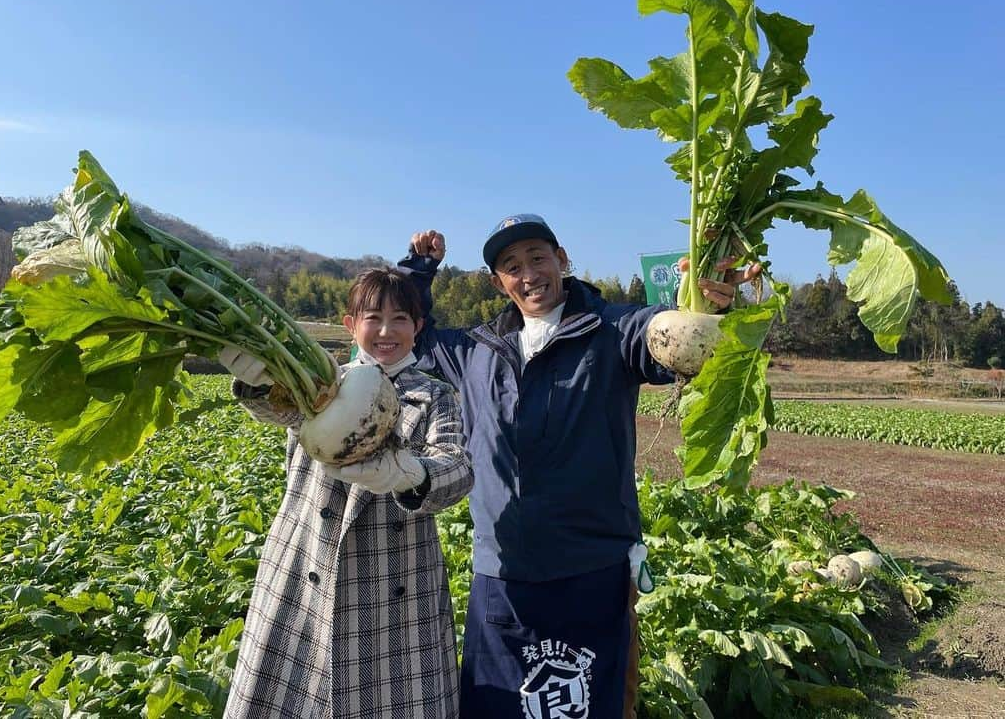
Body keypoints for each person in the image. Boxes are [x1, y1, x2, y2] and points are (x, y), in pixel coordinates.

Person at [399, 215, 757, 718]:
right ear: (498, 282)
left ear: (563, 261)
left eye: (538, 258)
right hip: (502, 575)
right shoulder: (478, 350)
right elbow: (415, 340)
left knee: (593, 706)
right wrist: (420, 270)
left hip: (591, 571)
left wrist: (703, 306)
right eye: (511, 265)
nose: (528, 274)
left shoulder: (612, 330)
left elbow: (668, 340)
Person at [219, 267, 474, 719]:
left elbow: (458, 467)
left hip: (399, 586)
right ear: (350, 325)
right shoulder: (320, 382)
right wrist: (259, 376)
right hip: (305, 566)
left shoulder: (435, 394)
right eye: (372, 317)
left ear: (417, 327)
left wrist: (409, 473)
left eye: (400, 319)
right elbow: (271, 407)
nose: (385, 330)